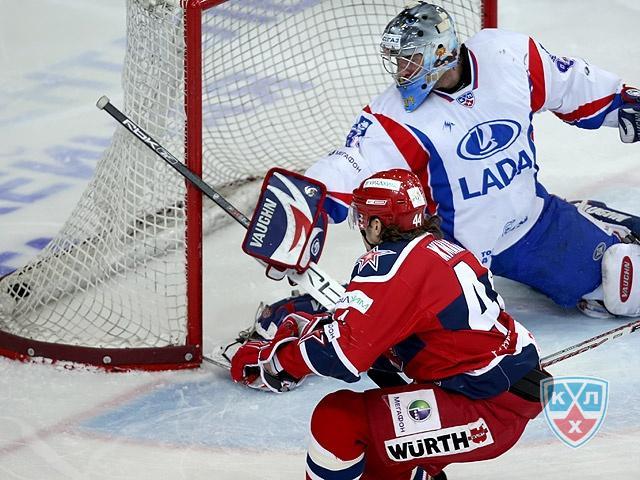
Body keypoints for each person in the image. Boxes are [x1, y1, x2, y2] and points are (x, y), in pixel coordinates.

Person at [254, 1, 640, 332]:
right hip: (454, 257)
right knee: (414, 338)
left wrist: (624, 103)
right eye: (398, 61)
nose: (401, 70)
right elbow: (352, 162)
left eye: (410, 59)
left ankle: (589, 219)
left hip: (531, 224)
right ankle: (299, 316)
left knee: (626, 288)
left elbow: (570, 85)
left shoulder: (507, 55)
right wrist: (306, 203)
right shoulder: (395, 116)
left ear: (440, 53)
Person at [231, 169, 550, 480]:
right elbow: (386, 338)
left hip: (484, 410)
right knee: (376, 454)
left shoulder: (392, 266)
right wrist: (318, 330)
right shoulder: (443, 251)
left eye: (361, 218)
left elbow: (343, 354)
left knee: (338, 421)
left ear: (375, 224)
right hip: (497, 393)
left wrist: (275, 362)